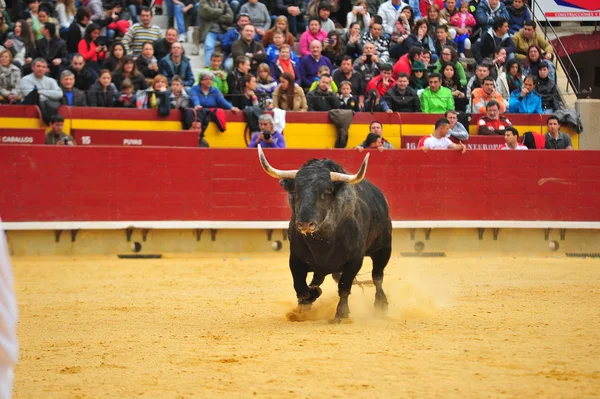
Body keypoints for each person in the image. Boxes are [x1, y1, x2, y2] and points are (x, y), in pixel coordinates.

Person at [199, 0, 234, 67]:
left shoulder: (224, 3)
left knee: (229, 45)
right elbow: (207, 13)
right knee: (209, 46)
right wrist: (221, 11)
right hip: (210, 31)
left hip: (223, 31)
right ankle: (208, 67)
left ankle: (224, 67)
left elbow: (230, 17)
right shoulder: (204, 2)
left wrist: (215, 17)